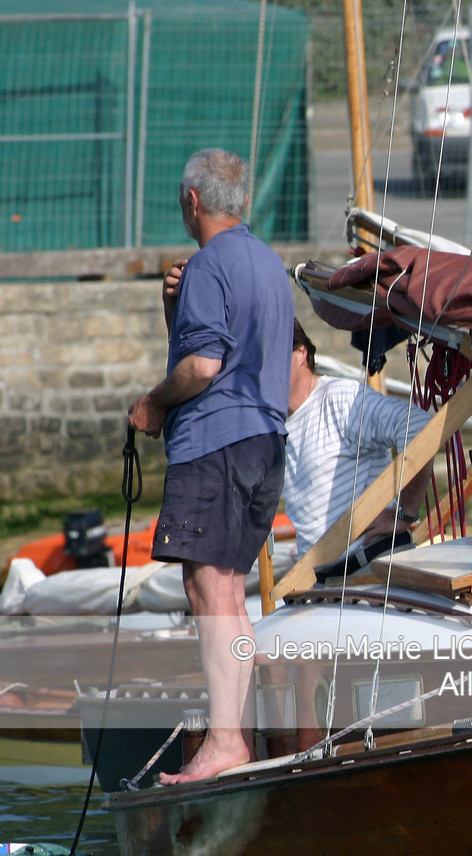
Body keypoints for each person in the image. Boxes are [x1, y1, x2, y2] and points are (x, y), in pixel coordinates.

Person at [128, 148, 293, 784]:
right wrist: (179, 307)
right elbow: (235, 347)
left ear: (193, 202)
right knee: (227, 589)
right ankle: (235, 733)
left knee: (210, 589)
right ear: (240, 202)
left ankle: (227, 739)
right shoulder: (267, 265)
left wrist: (152, 404)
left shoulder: (207, 266)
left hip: (215, 444)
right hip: (263, 444)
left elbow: (202, 368)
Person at [282, 319, 430, 574]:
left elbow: (420, 428)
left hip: (371, 573)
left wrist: (404, 515)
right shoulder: (272, 423)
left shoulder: (338, 399)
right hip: (322, 583)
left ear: (300, 354)